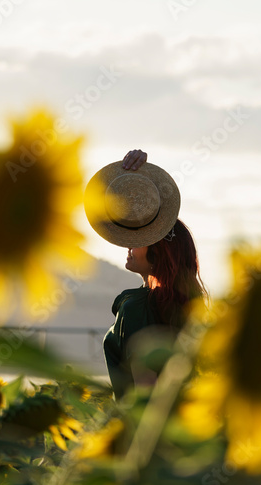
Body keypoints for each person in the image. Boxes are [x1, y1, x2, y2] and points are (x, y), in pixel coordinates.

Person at [84, 150, 207, 399]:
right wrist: (136, 179)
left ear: (160, 253)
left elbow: (141, 392)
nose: (129, 246)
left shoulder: (136, 308)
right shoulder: (187, 306)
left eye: (139, 239)